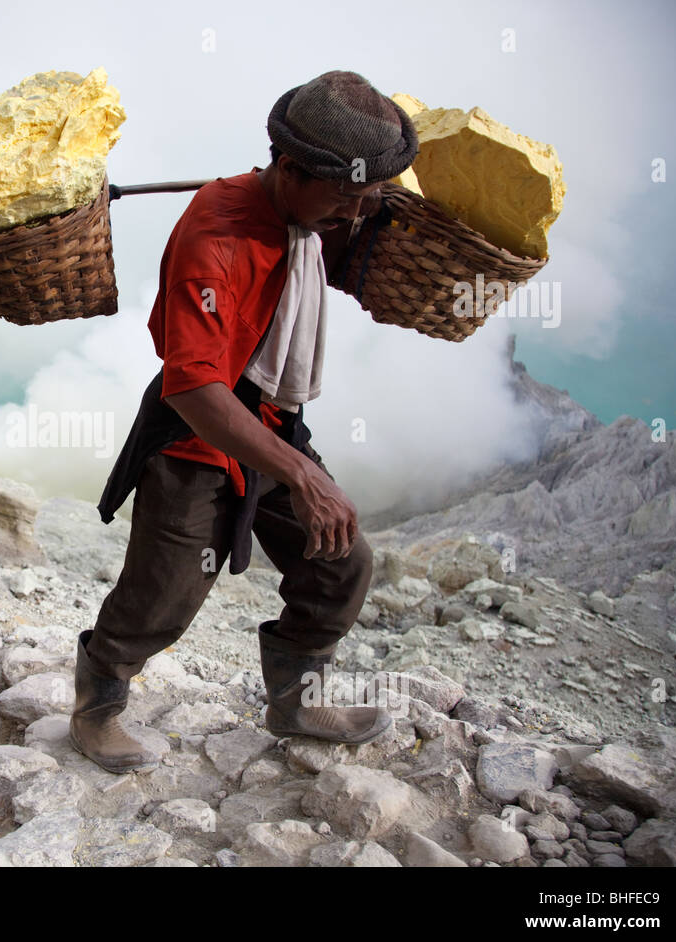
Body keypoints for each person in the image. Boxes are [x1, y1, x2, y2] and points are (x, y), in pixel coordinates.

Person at [68, 70, 420, 773]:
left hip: (270, 418)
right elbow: (192, 385)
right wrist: (301, 474)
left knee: (341, 562)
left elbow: (356, 218)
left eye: (364, 197)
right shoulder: (216, 236)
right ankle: (96, 706)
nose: (352, 213)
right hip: (200, 432)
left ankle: (294, 702)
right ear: (289, 169)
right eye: (343, 197)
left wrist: (371, 205)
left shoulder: (308, 214)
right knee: (163, 594)